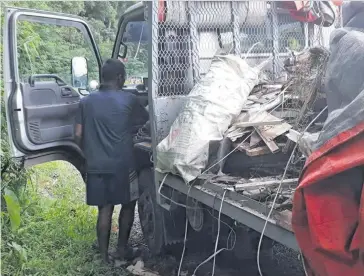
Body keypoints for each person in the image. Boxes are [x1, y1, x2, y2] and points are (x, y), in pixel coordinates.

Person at [75, 58, 148, 264]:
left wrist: (85, 157)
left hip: (96, 165)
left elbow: (78, 134)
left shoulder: (85, 102)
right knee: (127, 206)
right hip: (123, 166)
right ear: (119, 77)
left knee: (104, 210)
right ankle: (122, 250)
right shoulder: (129, 99)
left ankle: (105, 257)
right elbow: (145, 121)